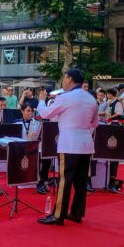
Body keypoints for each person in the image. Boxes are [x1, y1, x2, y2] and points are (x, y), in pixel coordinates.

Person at [36, 68, 98, 226]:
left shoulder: (65, 98)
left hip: (69, 143)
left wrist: (41, 100)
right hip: (86, 144)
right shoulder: (91, 99)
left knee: (65, 180)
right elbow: (94, 124)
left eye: (64, 78)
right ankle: (77, 213)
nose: (63, 81)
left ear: (69, 79)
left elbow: (46, 114)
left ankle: (58, 215)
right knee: (81, 181)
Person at [15, 103, 49, 194]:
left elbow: (41, 138)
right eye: (28, 111)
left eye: (31, 111)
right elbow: (14, 139)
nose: (30, 113)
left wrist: (38, 136)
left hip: (34, 147)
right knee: (36, 156)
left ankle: (44, 180)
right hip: (21, 148)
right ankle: (39, 183)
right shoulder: (16, 123)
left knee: (47, 157)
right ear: (22, 111)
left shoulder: (37, 123)